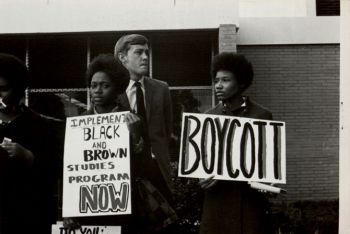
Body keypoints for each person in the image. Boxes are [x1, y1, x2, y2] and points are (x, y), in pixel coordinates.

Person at [64, 54, 176, 234]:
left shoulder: (133, 120)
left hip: (127, 206)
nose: (97, 91)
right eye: (93, 86)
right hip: (88, 207)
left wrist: (135, 137)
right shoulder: (79, 123)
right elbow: (71, 170)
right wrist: (68, 209)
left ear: (117, 89)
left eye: (105, 86)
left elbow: (146, 167)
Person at [199, 52, 273, 234]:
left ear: (240, 82)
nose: (218, 86)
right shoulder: (208, 118)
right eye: (216, 80)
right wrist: (201, 178)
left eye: (225, 80)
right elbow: (201, 162)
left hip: (249, 204)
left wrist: (267, 182)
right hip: (217, 204)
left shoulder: (261, 116)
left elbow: (268, 163)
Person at [0, 53, 60, 234]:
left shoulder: (40, 126)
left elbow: (56, 169)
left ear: (18, 90)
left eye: (3, 89)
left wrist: (29, 157)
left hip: (28, 220)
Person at [114, 34, 174, 207]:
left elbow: (167, 130)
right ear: (123, 57)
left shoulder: (161, 88)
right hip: (125, 171)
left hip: (158, 170)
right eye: (139, 53)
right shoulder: (112, 91)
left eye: (147, 52)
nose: (146, 57)